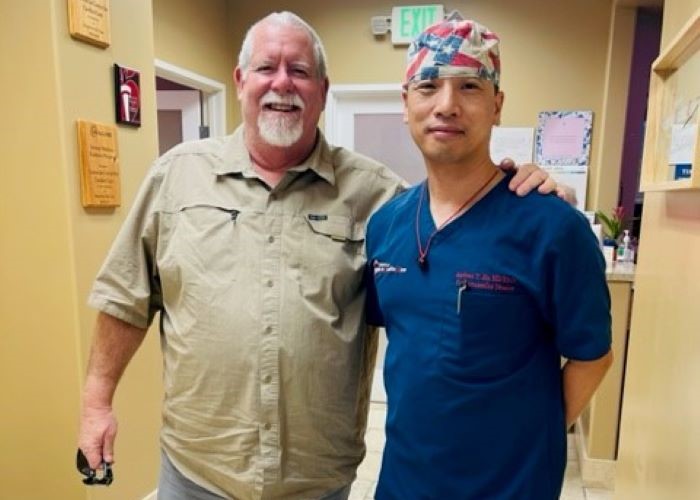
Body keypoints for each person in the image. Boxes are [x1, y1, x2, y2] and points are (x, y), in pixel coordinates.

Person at [78, 11, 563, 500]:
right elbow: (125, 296)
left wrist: (520, 192)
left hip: (316, 481)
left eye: (301, 72)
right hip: (197, 471)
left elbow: (457, 219)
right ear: (241, 80)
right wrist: (97, 403)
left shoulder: (380, 198)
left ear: (323, 91)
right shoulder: (176, 177)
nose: (282, 83)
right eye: (267, 68)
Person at [364, 19, 613, 499]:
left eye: (470, 87)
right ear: (406, 104)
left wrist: (526, 433)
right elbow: (409, 342)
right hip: (404, 482)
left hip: (510, 486)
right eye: (428, 86)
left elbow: (593, 357)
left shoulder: (551, 228)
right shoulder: (387, 225)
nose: (446, 105)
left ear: (497, 105)